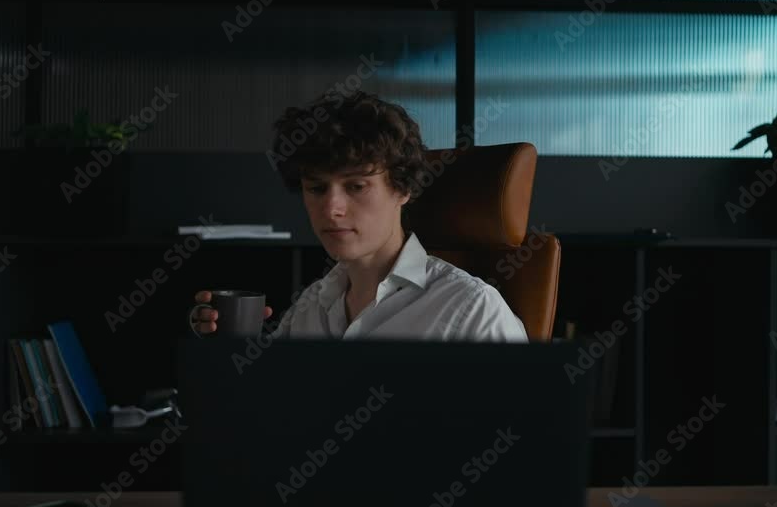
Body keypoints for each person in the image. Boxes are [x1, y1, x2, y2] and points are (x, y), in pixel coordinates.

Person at [190, 90, 527, 342]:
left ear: (402, 188)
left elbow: (528, 432)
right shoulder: (310, 308)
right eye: (317, 188)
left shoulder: (471, 309)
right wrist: (222, 350)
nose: (331, 208)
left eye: (356, 187)